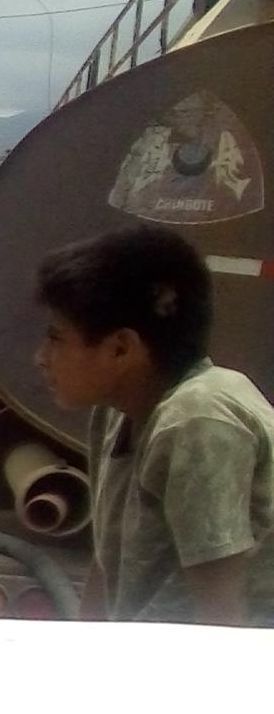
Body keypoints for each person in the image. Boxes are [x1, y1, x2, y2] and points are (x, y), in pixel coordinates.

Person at [33, 223, 274, 624]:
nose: (41, 357)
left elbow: (221, 615)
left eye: (56, 339)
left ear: (121, 348)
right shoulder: (115, 411)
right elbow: (107, 561)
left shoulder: (199, 420)